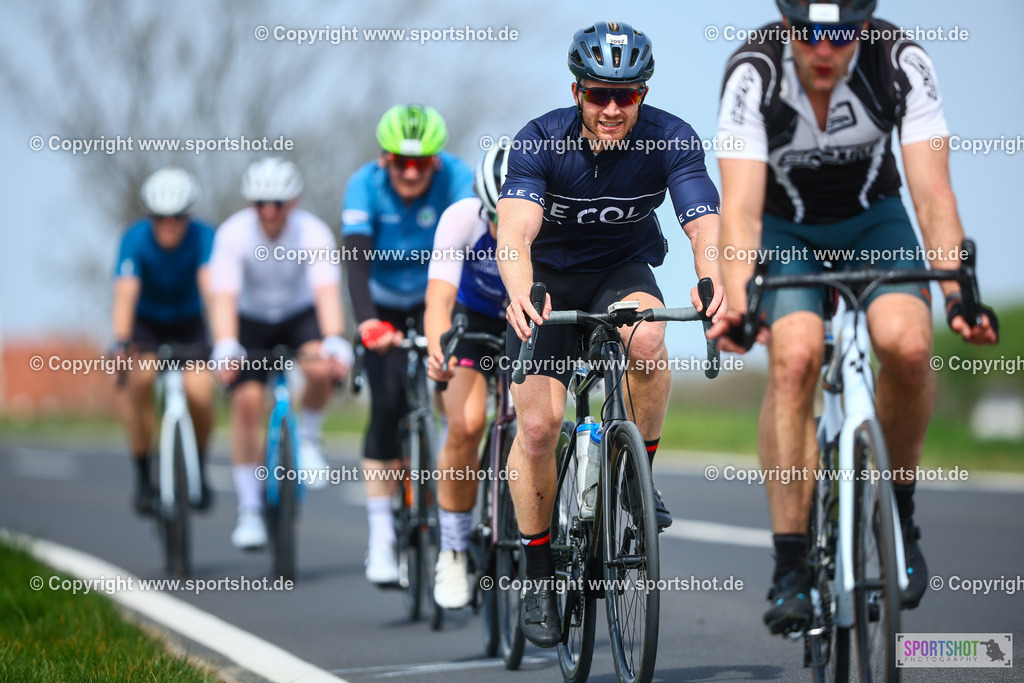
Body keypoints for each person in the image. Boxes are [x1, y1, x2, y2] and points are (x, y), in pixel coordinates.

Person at [709, 0, 999, 636]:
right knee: (795, 357)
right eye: (809, 34)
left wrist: (958, 295)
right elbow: (741, 211)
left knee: (907, 345)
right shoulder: (753, 72)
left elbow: (932, 194)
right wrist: (738, 304)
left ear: (862, 28)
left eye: (839, 35)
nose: (823, 49)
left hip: (874, 222)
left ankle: (897, 516)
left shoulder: (900, 62)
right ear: (787, 27)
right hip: (785, 230)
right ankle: (790, 563)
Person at [497, 21, 725, 647]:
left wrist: (710, 278)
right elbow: (514, 232)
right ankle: (538, 574)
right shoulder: (540, 140)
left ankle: (635, 479)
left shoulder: (671, 137)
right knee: (538, 429)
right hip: (547, 280)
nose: (613, 109)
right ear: (577, 91)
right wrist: (521, 291)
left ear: (643, 93)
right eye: (599, 94)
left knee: (648, 339)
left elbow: (703, 222)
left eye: (627, 95)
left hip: (621, 272)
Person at [342, 104, 474, 585]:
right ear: (385, 159)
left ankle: (449, 473)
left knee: (455, 393)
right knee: (387, 403)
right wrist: (368, 323)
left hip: (440, 294)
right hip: (383, 303)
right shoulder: (363, 185)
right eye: (402, 162)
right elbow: (355, 261)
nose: (412, 172)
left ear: (437, 160)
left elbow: (472, 246)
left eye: (422, 162)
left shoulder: (458, 178)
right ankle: (381, 537)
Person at [209, 157, 352, 551]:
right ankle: (249, 509)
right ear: (250, 205)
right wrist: (226, 342)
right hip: (250, 321)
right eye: (261, 204)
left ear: (294, 202)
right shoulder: (233, 234)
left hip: (298, 316)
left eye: (278, 204)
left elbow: (326, 291)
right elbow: (223, 297)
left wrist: (334, 338)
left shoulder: (312, 231)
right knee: (247, 403)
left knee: (321, 368)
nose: (270, 212)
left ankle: (309, 438)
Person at [424, 144, 510, 608]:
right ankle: (454, 550)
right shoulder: (460, 218)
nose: (500, 228)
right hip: (472, 323)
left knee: (542, 422)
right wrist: (438, 347)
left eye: (509, 217)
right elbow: (438, 299)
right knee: (466, 423)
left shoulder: (552, 220)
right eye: (494, 216)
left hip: (525, 320)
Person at [113, 167, 216, 516]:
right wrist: (121, 341)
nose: (169, 225)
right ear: (150, 216)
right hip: (147, 324)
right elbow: (125, 294)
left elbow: (212, 289)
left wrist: (225, 340)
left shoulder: (204, 236)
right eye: (160, 218)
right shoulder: (134, 239)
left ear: (190, 215)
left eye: (178, 217)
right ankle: (144, 475)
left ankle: (198, 466)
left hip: (189, 323)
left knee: (200, 391)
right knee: (139, 380)